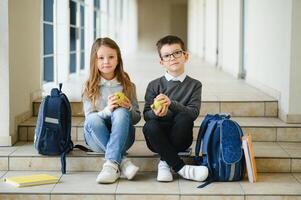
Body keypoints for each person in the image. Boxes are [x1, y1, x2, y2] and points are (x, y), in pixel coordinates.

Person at [143, 35, 208, 182]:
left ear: (185, 56)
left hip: (181, 137)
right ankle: (181, 168)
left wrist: (171, 103)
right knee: (150, 125)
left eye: (177, 53)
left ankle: (165, 162)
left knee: (184, 117)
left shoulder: (195, 85)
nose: (172, 58)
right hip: (157, 137)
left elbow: (193, 113)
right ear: (161, 61)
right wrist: (156, 113)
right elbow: (146, 115)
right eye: (167, 55)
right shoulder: (154, 85)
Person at [82, 37, 141, 184]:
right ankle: (121, 162)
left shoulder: (128, 86)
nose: (106, 61)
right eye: (101, 58)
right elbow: (90, 120)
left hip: (124, 138)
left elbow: (137, 118)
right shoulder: (89, 87)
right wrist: (107, 110)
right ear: (94, 61)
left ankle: (111, 165)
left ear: (118, 59)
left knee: (121, 112)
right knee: (93, 118)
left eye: (111, 57)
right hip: (96, 138)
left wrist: (128, 107)